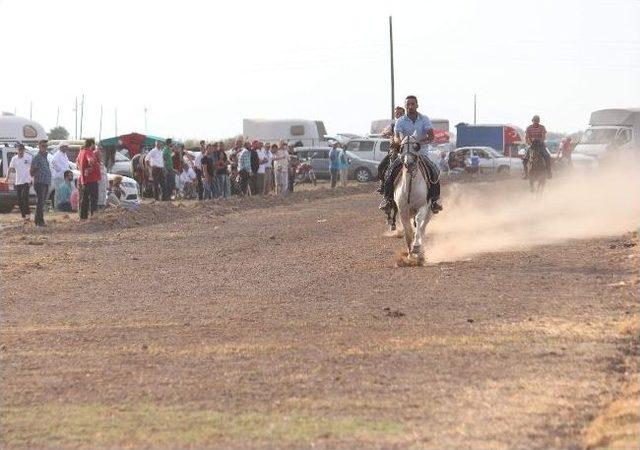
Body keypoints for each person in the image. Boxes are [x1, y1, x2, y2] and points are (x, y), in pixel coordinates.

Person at [379, 95, 443, 214]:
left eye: (413, 104)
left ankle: (434, 201)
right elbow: (397, 137)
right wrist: (404, 142)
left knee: (434, 170)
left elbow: (431, 136)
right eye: (408, 104)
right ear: (405, 106)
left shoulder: (424, 119)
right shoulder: (400, 121)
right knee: (390, 172)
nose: (410, 106)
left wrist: (417, 142)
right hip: (403, 154)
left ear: (417, 105)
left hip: (421, 153)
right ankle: (388, 200)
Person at [376, 106, 409, 193]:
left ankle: (432, 194)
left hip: (407, 150)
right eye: (397, 114)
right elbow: (383, 133)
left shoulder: (408, 124)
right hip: (394, 150)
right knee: (381, 167)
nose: (398, 115)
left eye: (400, 113)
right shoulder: (392, 125)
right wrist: (387, 132)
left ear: (404, 114)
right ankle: (383, 185)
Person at [4, 143, 32, 220]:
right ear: (17, 150)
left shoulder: (28, 157)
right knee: (19, 200)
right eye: (19, 150)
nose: (21, 151)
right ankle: (24, 216)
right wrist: (7, 178)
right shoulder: (14, 159)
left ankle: (28, 214)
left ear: (24, 150)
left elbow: (32, 168)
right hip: (18, 181)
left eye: (22, 150)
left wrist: (32, 179)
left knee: (24, 197)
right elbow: (10, 168)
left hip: (27, 181)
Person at [77, 138, 101, 219]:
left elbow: (77, 162)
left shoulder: (81, 152)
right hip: (92, 180)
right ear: (92, 144)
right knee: (93, 199)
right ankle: (93, 216)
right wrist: (90, 166)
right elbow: (90, 159)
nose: (95, 146)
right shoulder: (88, 152)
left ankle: (83, 217)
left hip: (85, 180)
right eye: (94, 144)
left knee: (85, 199)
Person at [30, 140, 52, 226]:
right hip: (40, 182)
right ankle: (40, 221)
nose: (45, 148)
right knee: (40, 202)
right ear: (39, 146)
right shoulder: (37, 157)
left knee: (42, 202)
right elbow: (31, 172)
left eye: (46, 146)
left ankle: (38, 220)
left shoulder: (45, 157)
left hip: (45, 182)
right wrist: (37, 171)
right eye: (43, 146)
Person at [523, 115, 551, 179]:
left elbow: (543, 137)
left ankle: (549, 172)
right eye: (535, 121)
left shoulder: (542, 127)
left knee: (547, 156)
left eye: (537, 121)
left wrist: (540, 142)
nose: (536, 122)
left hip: (540, 145)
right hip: (532, 145)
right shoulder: (528, 128)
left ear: (539, 121)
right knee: (525, 159)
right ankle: (526, 174)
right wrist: (530, 143)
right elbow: (526, 138)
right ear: (532, 121)